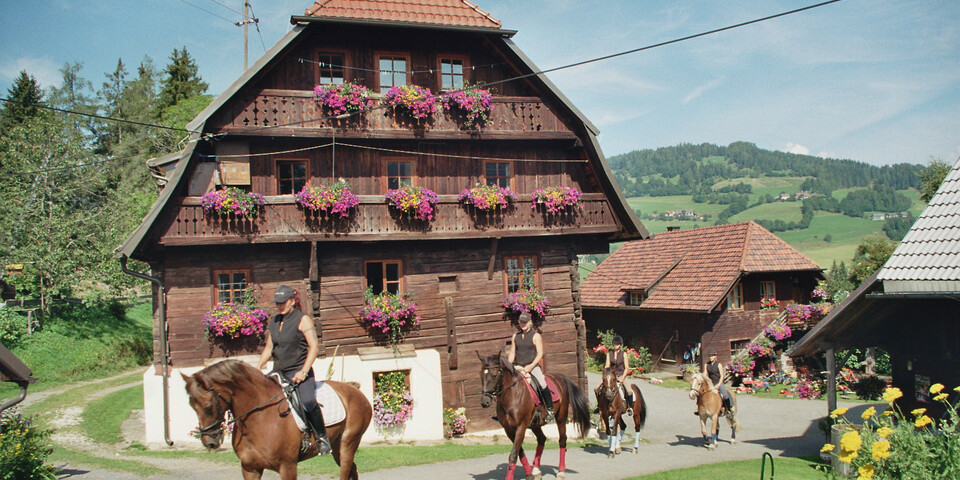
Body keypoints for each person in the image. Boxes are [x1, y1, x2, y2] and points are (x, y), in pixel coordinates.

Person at [257, 285, 331, 455]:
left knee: (308, 401)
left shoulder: (303, 319)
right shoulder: (274, 321)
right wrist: (259, 366)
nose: (279, 306)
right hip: (279, 373)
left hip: (299, 372)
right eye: (277, 303)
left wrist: (304, 371)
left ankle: (321, 437)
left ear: (292, 301)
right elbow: (269, 347)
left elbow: (314, 347)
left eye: (282, 302)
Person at [507, 310, 554, 423]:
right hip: (518, 366)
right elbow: (513, 353)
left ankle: (550, 410)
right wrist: (509, 365)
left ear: (530, 322)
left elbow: (540, 354)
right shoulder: (515, 336)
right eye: (521, 322)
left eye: (525, 322)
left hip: (532, 366)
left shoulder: (536, 336)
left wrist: (531, 366)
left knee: (542, 383)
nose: (523, 324)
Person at [603, 335, 634, 416]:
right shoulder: (609, 354)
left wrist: (623, 377)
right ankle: (599, 406)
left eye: (616, 344)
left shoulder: (624, 354)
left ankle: (630, 408)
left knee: (629, 390)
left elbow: (627, 368)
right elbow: (607, 365)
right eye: (614, 344)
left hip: (621, 375)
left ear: (620, 345)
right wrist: (607, 374)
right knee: (597, 388)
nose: (615, 345)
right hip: (612, 376)